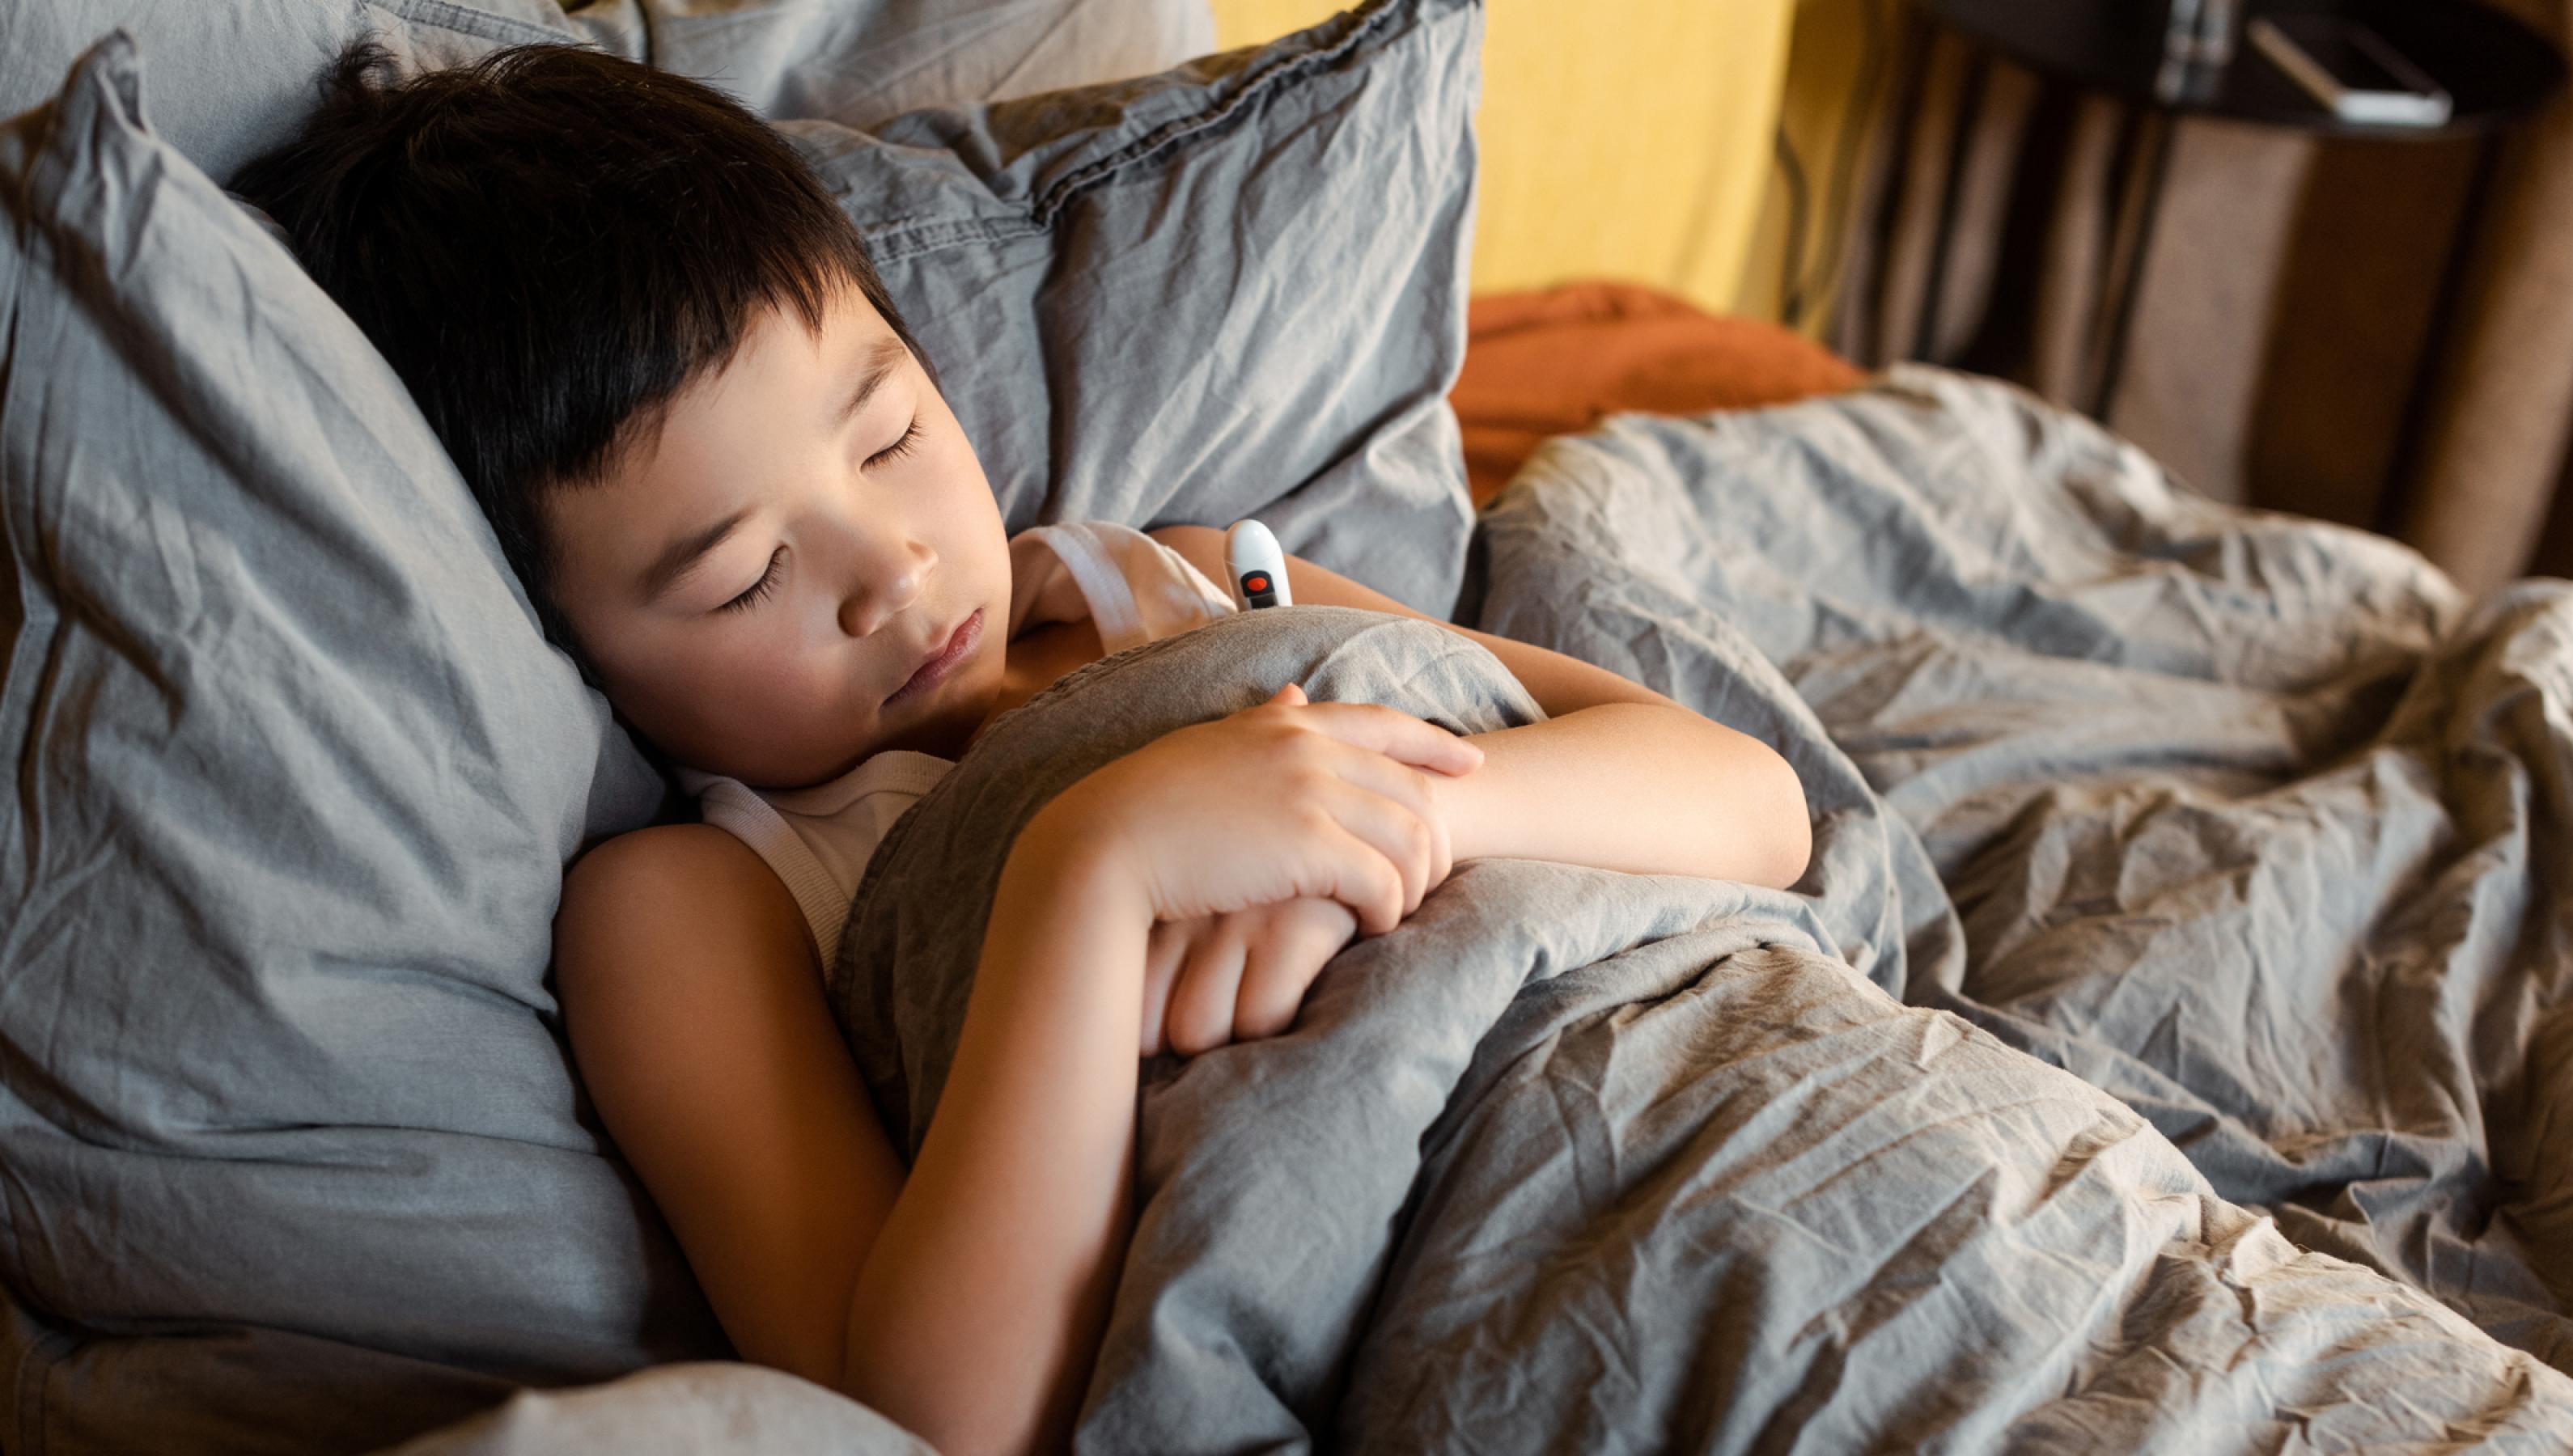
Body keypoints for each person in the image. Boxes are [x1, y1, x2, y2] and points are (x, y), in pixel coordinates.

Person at [235, 42, 1812, 1456]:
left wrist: (1389, 817)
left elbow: (1751, 803)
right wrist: (1097, 869)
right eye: (741, 576)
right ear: (557, 646)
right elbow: (932, 1422)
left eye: (891, 434)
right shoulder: (691, 908)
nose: (896, 572)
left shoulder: (1197, 584)